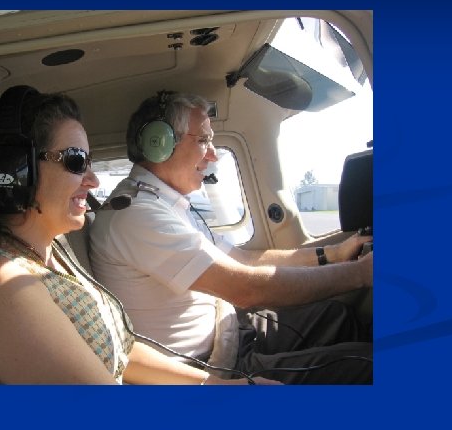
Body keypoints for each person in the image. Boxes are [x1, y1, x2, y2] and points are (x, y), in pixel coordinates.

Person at [0, 85, 279, 385]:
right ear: (16, 171)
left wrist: (218, 385)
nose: (93, 181)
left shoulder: (52, 255)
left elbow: (122, 351)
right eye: (75, 161)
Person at [89, 91, 373, 384]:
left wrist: (332, 255)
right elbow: (246, 290)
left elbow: (244, 259)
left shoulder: (163, 204)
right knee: (368, 364)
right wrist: (360, 274)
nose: (212, 155)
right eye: (203, 140)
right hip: (210, 367)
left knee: (337, 316)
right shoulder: (138, 215)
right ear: (159, 144)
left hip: (227, 333)